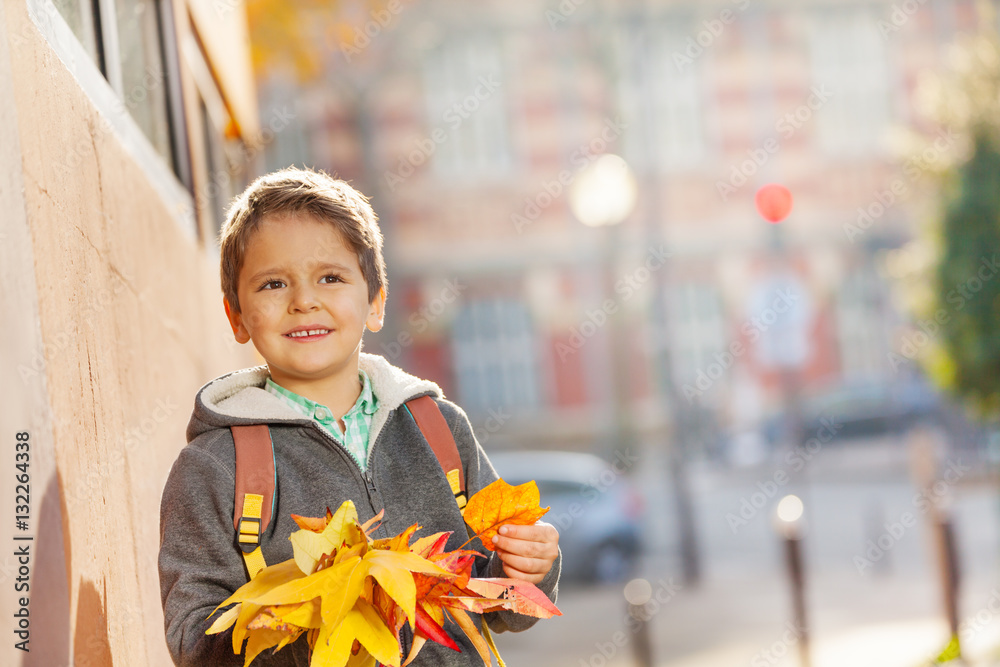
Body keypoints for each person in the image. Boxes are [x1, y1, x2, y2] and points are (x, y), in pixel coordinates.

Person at [158, 167, 561, 666]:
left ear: (375, 302)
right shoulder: (215, 468)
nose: (304, 300)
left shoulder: (440, 430)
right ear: (237, 316)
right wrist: (314, 626)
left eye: (331, 277)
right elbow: (192, 640)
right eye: (273, 283)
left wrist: (527, 569)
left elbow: (504, 605)